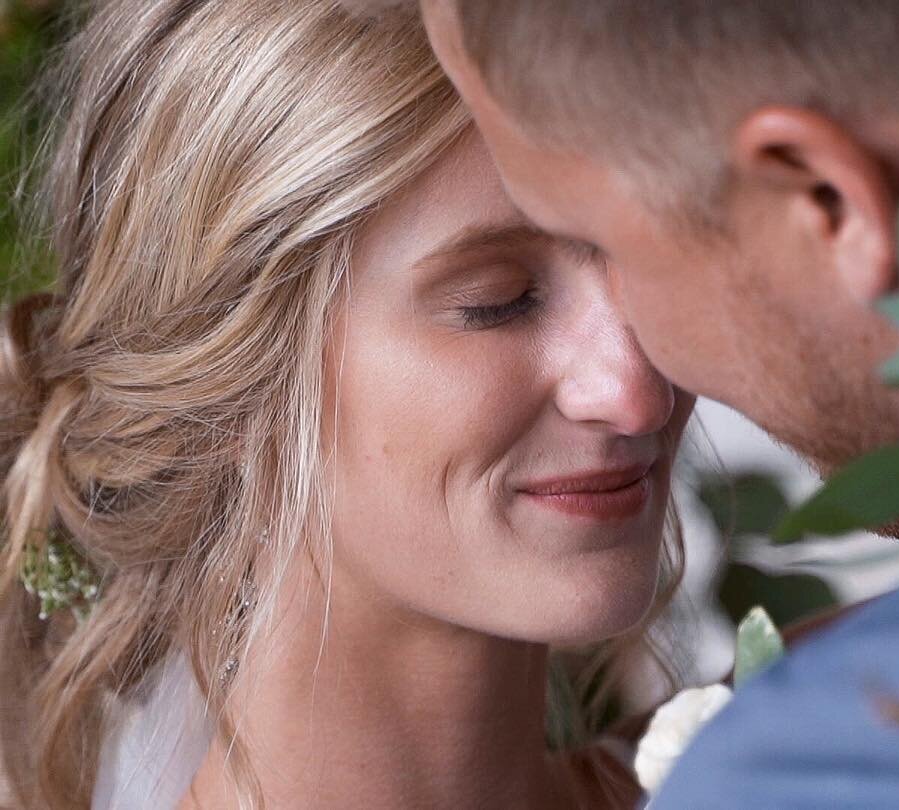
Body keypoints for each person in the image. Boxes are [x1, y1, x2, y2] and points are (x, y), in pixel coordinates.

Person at [360, 0, 899, 806]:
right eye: (495, 301)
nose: (636, 394)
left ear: (829, 200)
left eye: (618, 252)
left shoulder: (860, 746)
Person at [0, 1, 693, 807]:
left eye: (652, 264)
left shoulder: (814, 751)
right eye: (497, 302)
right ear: (228, 376)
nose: (637, 390)